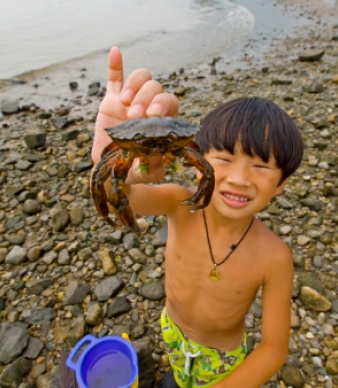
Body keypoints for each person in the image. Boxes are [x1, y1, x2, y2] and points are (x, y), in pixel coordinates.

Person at [91, 47, 304, 388]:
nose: (239, 178)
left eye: (261, 166)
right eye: (223, 159)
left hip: (222, 361)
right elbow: (122, 198)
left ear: (281, 184)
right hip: (172, 333)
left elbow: (273, 347)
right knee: (176, 379)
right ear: (194, 161)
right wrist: (107, 162)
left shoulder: (275, 257)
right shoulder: (178, 202)